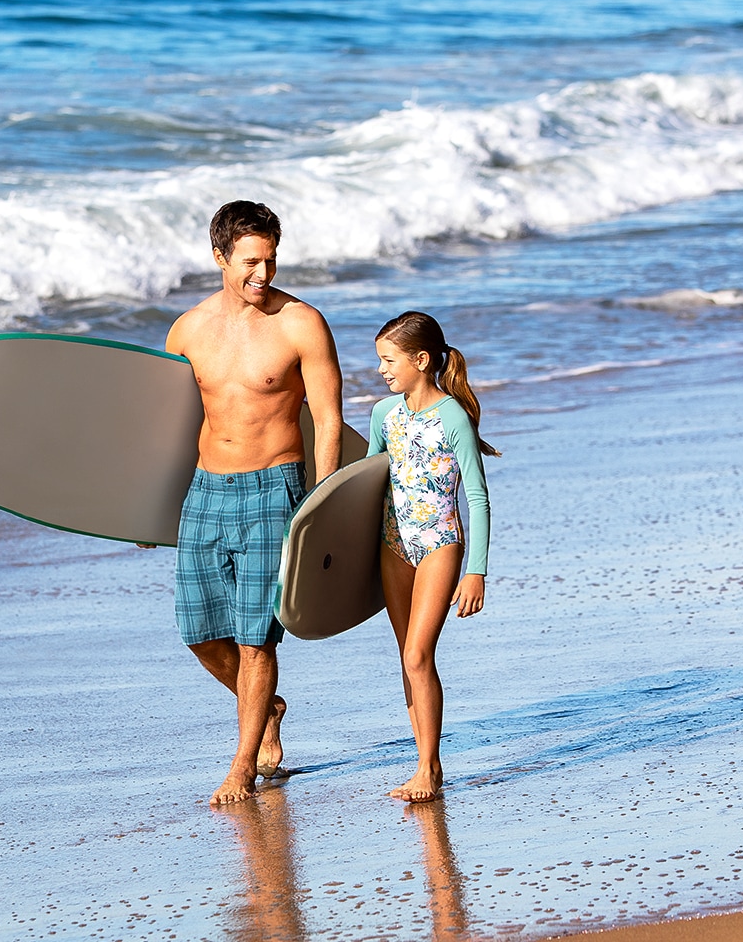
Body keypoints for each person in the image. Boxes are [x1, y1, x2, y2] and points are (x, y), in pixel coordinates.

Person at [163, 200, 344, 806]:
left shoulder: (301, 324)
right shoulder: (187, 330)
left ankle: (243, 765)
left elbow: (328, 419)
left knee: (254, 640)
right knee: (198, 632)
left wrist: (321, 511)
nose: (262, 274)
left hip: (276, 487)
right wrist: (144, 506)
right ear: (219, 257)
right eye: (249, 262)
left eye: (270, 259)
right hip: (206, 491)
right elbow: (168, 423)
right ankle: (266, 707)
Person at [369, 310, 499, 803]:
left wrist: (477, 571)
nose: (382, 370)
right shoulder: (385, 415)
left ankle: (429, 767)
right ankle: (421, 761)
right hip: (392, 545)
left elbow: (479, 498)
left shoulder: (452, 418)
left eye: (389, 360)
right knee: (408, 660)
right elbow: (365, 486)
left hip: (439, 543)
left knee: (419, 654)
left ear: (421, 360)